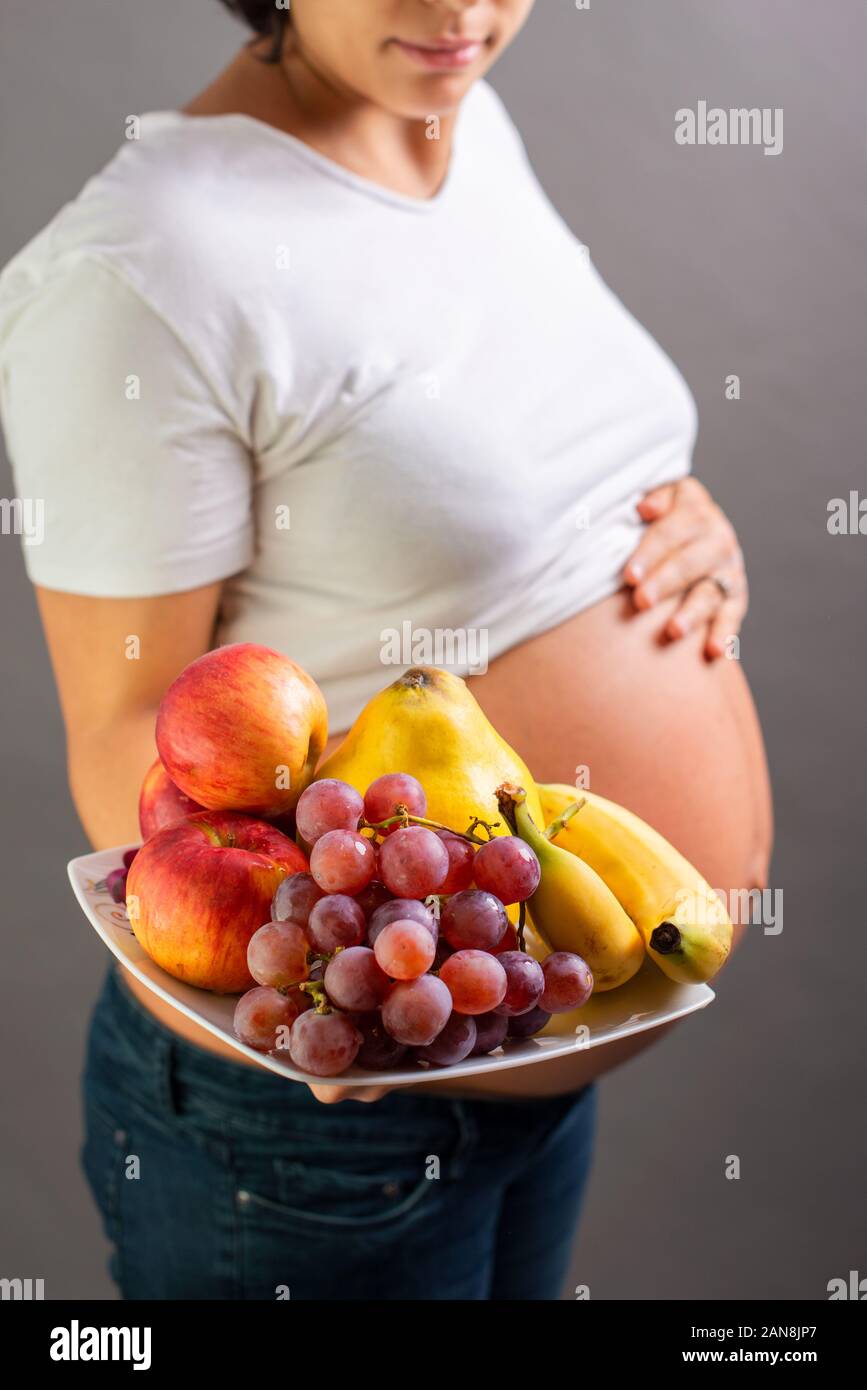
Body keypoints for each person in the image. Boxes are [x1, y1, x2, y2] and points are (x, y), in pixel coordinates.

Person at [0, 0, 772, 1300]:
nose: (460, 8)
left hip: (518, 1052)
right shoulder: (136, 269)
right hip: (321, 1136)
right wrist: (331, 985)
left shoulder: (453, 108)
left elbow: (485, 457)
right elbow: (121, 725)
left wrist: (681, 520)